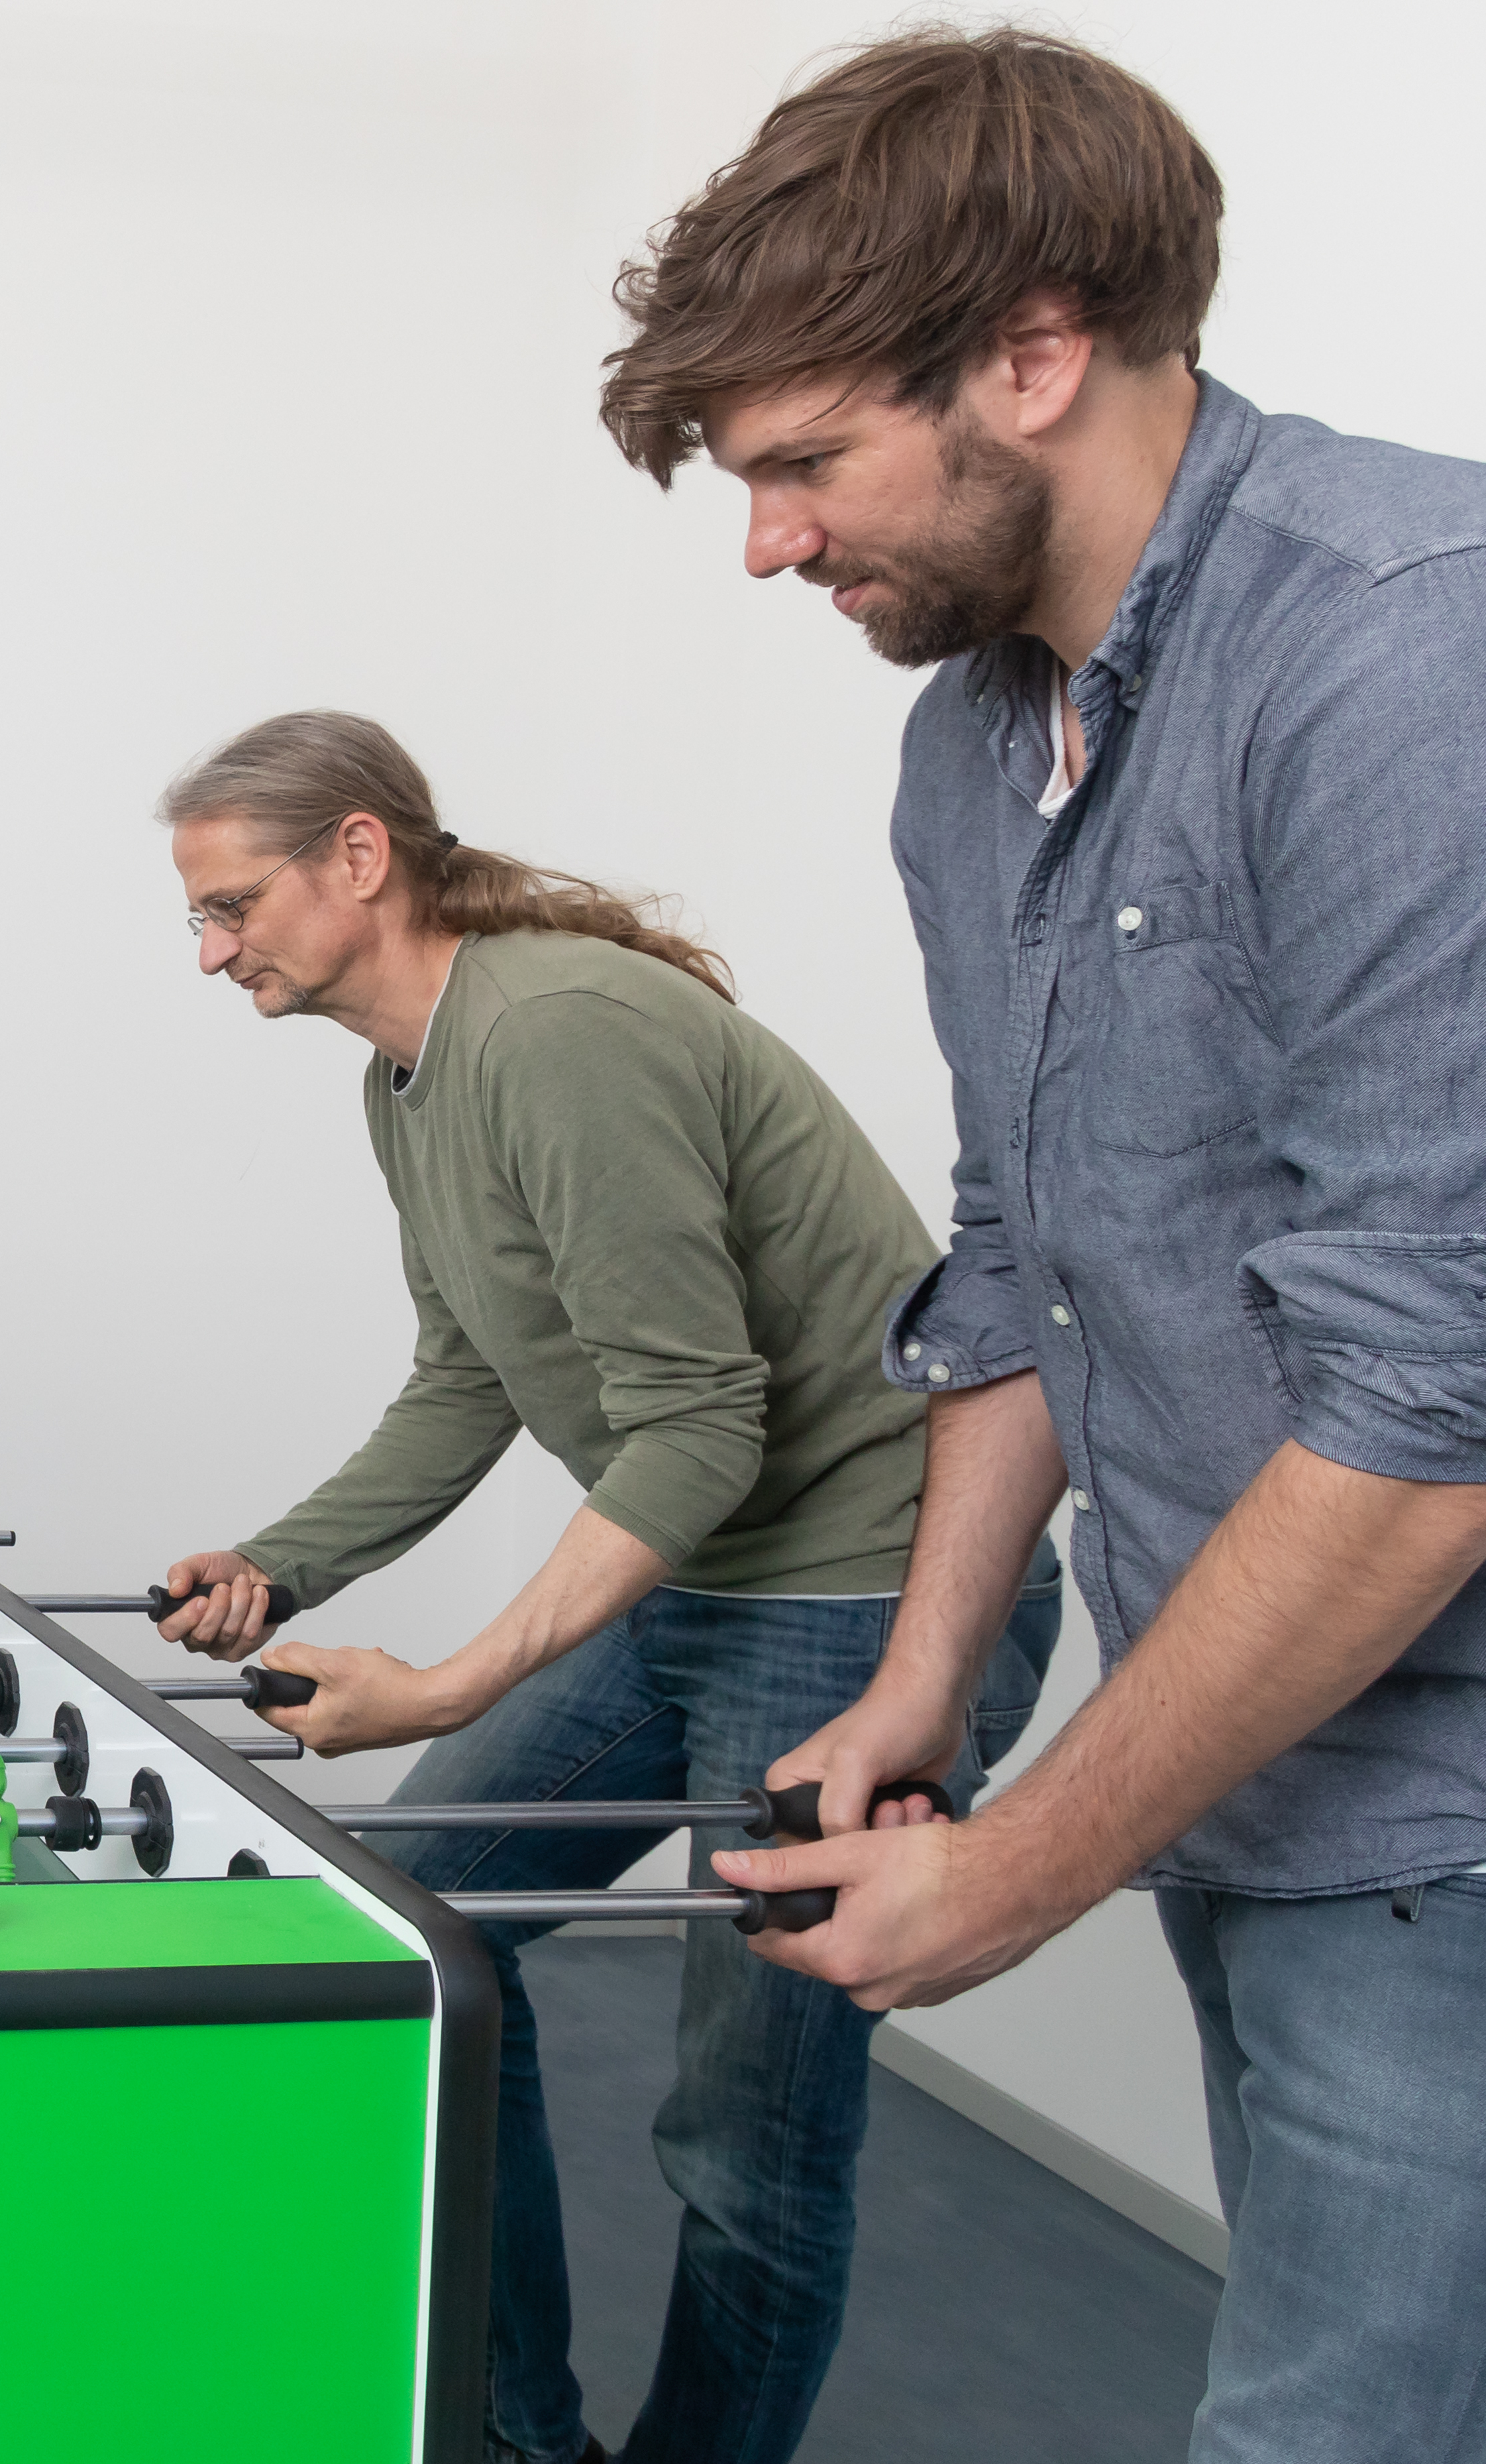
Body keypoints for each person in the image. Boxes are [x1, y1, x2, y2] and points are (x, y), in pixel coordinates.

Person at [600, 30, 1486, 2459]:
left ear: (1029, 352)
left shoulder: (1408, 649)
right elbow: (1021, 1256)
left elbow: (1431, 1412)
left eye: (800, 461)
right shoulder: (969, 741)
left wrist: (1017, 1864)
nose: (767, 541)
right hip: (1253, 1753)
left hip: (1444, 1798)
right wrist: (924, 1682)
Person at [148, 710, 1057, 2464]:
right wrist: (279, 1561)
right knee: (417, 1936)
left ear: (357, 855)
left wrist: (451, 1680)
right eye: (197, 918)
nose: (210, 952)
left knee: (747, 2131)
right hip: (705, 1568)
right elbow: (465, 1375)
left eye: (229, 905)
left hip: (861, 1594)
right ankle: (521, 2437)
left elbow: (699, 1422)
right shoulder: (403, 1082)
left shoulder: (553, 1029)